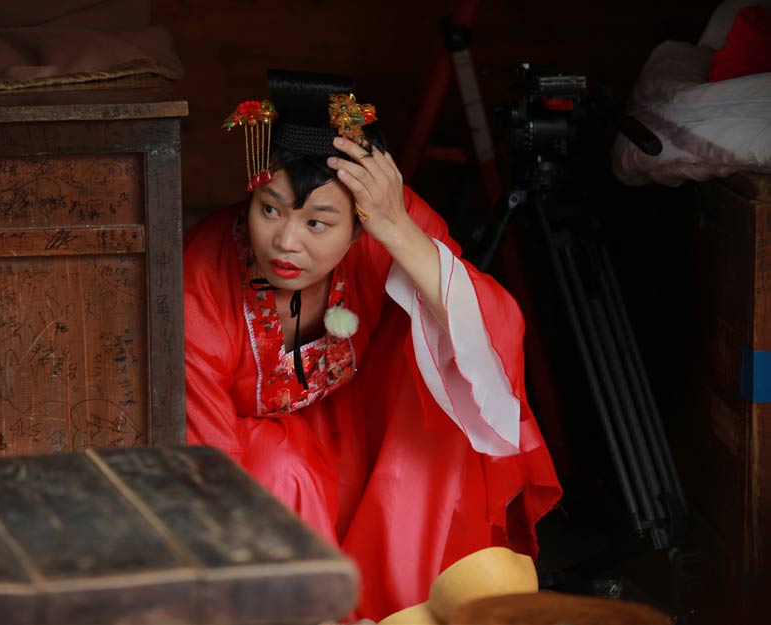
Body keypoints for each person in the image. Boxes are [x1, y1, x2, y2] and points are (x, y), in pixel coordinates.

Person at [183, 69, 562, 622]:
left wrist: (395, 227)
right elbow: (206, 461)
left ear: (359, 225)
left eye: (318, 223)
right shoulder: (198, 282)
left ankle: (416, 590)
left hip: (363, 442)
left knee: (447, 361)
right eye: (269, 209)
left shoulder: (382, 221)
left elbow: (491, 329)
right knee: (282, 469)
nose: (286, 241)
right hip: (258, 469)